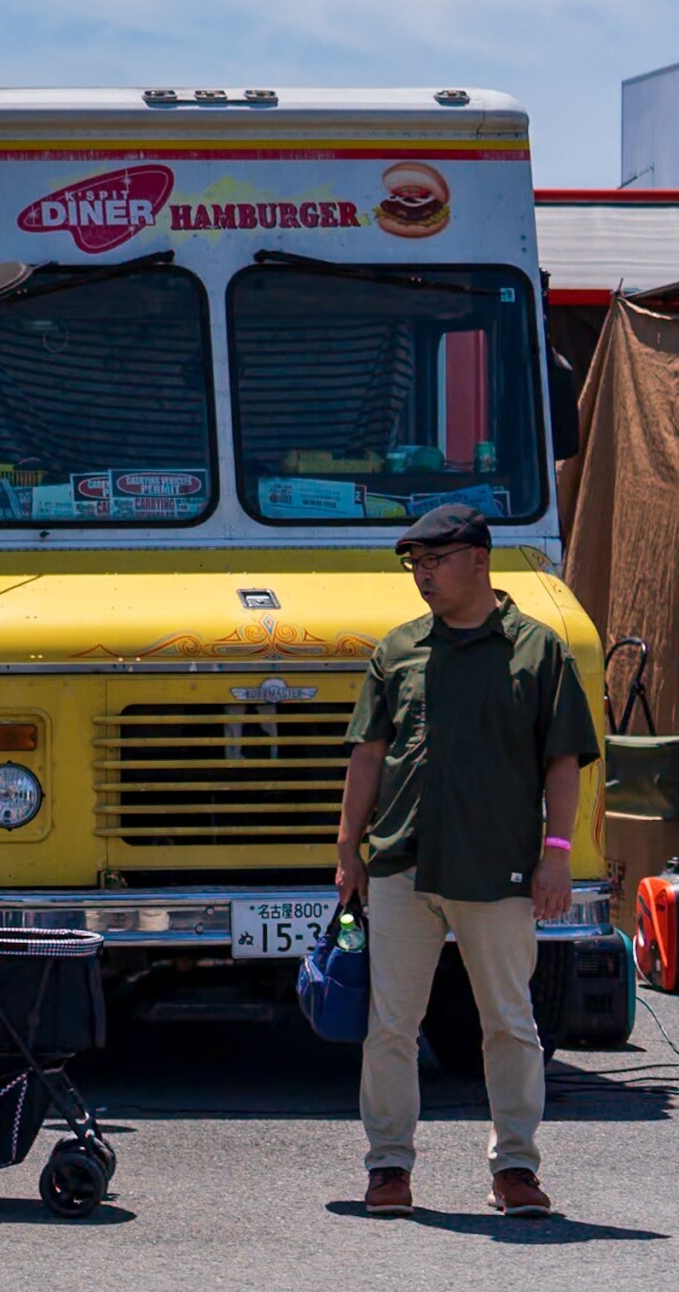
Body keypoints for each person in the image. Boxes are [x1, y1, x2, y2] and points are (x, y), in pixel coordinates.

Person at [336, 504, 598, 1221]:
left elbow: (564, 760)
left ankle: (515, 1168)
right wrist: (346, 849)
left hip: (499, 868)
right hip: (402, 862)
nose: (422, 575)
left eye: (436, 560)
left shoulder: (537, 650)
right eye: (414, 564)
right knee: (391, 1023)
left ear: (479, 560)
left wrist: (558, 854)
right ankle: (388, 1166)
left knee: (509, 1022)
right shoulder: (397, 649)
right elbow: (368, 753)